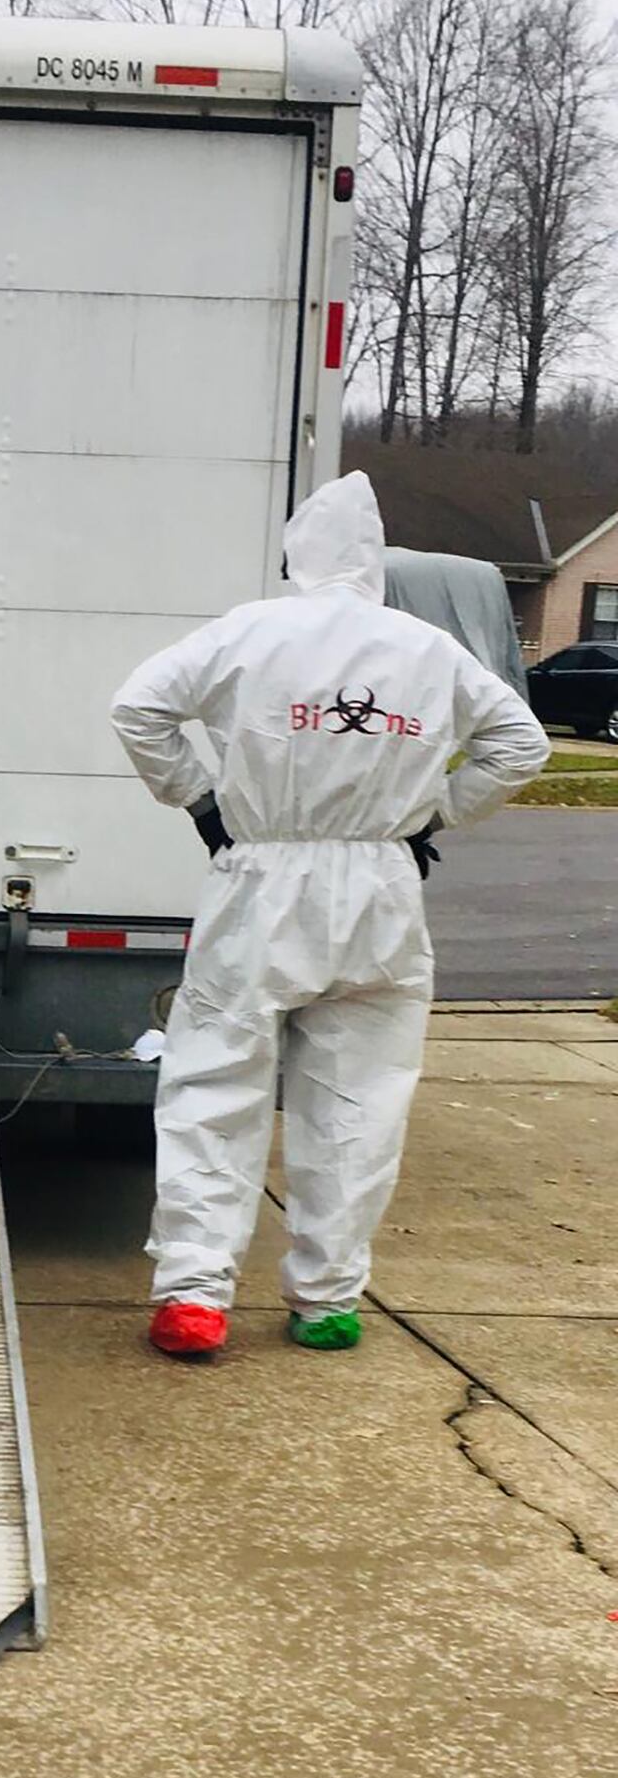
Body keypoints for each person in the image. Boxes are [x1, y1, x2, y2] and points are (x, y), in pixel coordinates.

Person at [110, 471, 548, 1361]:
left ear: (296, 554)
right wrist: (434, 814)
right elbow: (521, 745)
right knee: (358, 1100)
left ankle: (195, 1296)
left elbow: (139, 706)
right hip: (381, 890)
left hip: (262, 875)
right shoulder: (424, 649)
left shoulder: (252, 630)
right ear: (375, 565)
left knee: (216, 1082)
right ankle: (327, 1299)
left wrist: (200, 801)